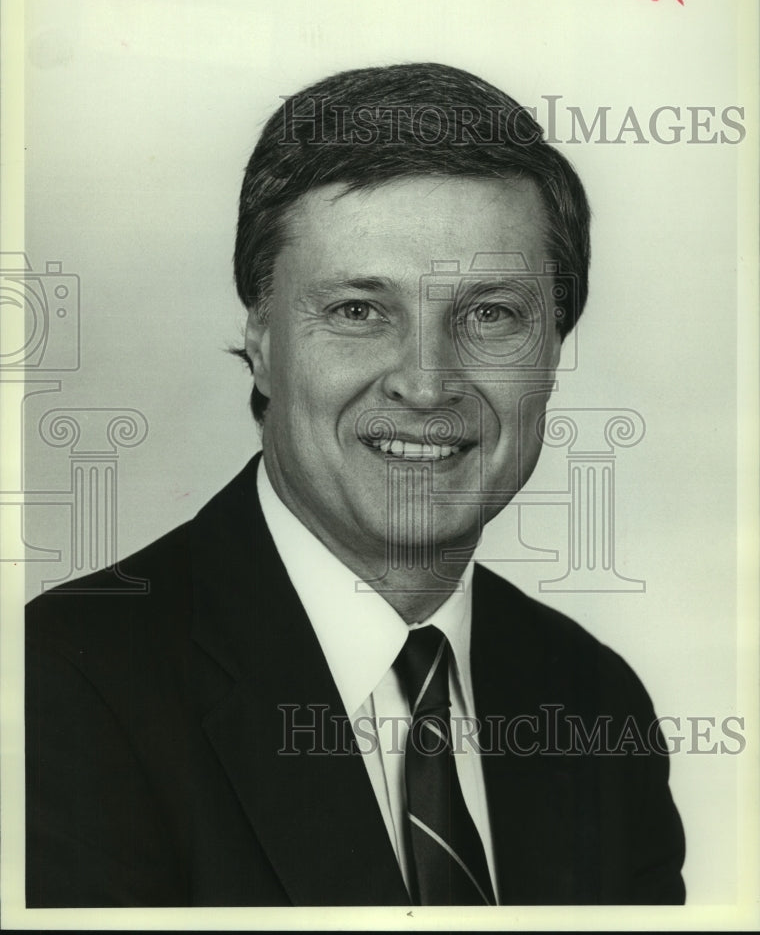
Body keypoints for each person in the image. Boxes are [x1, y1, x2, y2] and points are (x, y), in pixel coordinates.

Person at [25, 62, 686, 907]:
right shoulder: (63, 688)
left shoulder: (595, 704)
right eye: (358, 311)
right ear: (261, 337)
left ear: (554, 347)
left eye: (490, 314)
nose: (426, 382)